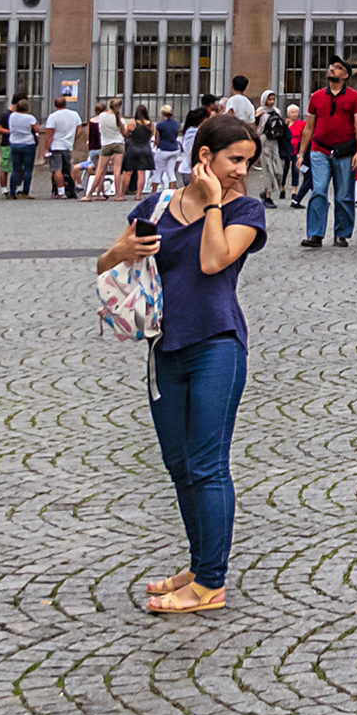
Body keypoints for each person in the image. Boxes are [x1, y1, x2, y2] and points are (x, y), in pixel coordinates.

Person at [96, 113, 267, 616]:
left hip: (218, 345)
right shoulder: (156, 205)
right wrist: (118, 250)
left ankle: (211, 583)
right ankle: (199, 562)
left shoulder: (246, 211)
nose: (241, 170)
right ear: (205, 157)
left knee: (208, 465)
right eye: (234, 160)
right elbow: (107, 269)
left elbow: (214, 261)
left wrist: (214, 202)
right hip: (164, 348)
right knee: (178, 466)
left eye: (247, 162)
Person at [299, 59, 357, 248]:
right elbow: (309, 127)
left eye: (337, 68)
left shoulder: (354, 97)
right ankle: (315, 234)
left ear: (345, 75)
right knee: (318, 191)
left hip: (345, 151)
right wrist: (301, 153)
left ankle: (341, 233)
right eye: (330, 67)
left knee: (344, 194)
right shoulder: (316, 96)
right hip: (319, 150)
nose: (331, 69)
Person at [42, 94, 85, 199]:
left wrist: (46, 148)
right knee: (68, 167)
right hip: (68, 145)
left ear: (55, 105)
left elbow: (49, 134)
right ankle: (70, 188)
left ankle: (61, 192)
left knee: (57, 169)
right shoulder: (74, 114)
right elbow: (79, 129)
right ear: (65, 104)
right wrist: (73, 138)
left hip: (56, 145)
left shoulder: (53, 117)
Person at [88, 99, 124, 201]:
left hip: (106, 143)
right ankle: (118, 195)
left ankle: (90, 194)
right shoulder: (118, 118)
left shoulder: (102, 116)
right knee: (117, 170)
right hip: (118, 143)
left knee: (99, 170)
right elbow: (123, 131)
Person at [121, 107, 155, 198]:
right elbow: (151, 135)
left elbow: (125, 133)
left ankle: (122, 194)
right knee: (141, 173)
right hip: (145, 149)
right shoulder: (151, 125)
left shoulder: (132, 123)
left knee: (128, 172)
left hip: (132, 149)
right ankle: (138, 194)